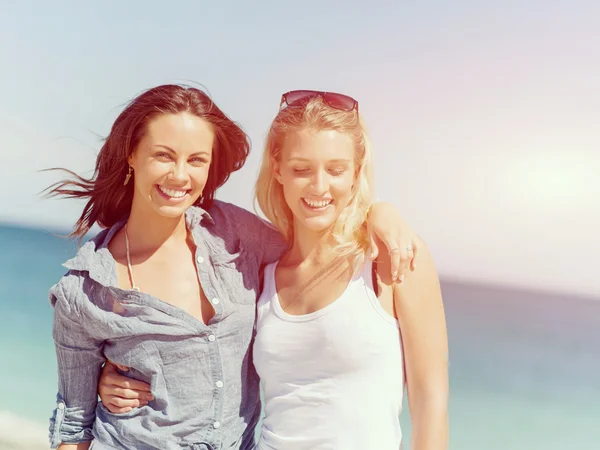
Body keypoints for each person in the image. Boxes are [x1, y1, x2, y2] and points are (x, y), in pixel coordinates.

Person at [46, 84, 422, 450]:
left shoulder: (238, 236)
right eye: (163, 155)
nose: (180, 175)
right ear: (132, 154)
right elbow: (74, 426)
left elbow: (316, 247)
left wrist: (379, 213)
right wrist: (98, 381)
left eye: (196, 160)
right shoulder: (82, 291)